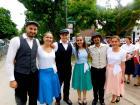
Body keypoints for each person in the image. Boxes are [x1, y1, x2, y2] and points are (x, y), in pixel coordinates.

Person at [6, 21, 40, 105]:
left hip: (33, 74)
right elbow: (9, 61)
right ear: (26, 28)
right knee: (21, 99)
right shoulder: (16, 40)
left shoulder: (37, 41)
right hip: (20, 75)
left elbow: (39, 57)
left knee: (33, 97)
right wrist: (12, 79)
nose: (33, 31)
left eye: (35, 29)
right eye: (31, 28)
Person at [37, 32, 60, 105]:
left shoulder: (54, 48)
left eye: (51, 38)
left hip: (53, 73)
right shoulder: (38, 48)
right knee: (46, 91)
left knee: (52, 91)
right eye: (47, 37)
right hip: (43, 73)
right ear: (43, 38)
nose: (49, 39)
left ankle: (49, 103)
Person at [105, 35, 126, 103]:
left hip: (117, 70)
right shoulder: (108, 50)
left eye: (116, 41)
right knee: (111, 84)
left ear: (119, 42)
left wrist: (123, 76)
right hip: (109, 70)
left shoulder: (123, 52)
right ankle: (117, 95)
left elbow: (123, 65)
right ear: (110, 42)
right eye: (112, 41)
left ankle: (113, 98)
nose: (114, 43)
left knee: (116, 84)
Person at [54, 29, 73, 105]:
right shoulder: (56, 44)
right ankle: (58, 99)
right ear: (60, 36)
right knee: (58, 85)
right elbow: (50, 54)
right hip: (58, 69)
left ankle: (66, 98)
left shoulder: (71, 44)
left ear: (68, 35)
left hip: (68, 69)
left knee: (67, 84)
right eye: (63, 35)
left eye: (66, 35)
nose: (64, 36)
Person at [72, 35, 92, 105]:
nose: (79, 41)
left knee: (85, 83)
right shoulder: (74, 49)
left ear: (83, 41)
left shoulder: (87, 48)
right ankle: (79, 98)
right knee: (78, 83)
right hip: (78, 68)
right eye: (78, 40)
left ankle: (84, 98)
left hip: (86, 67)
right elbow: (68, 56)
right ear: (76, 41)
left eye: (81, 40)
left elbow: (91, 57)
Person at [88, 32, 108, 105]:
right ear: (93, 40)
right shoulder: (90, 48)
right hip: (94, 69)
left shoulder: (106, 47)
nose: (96, 39)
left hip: (103, 70)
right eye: (94, 38)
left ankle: (102, 100)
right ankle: (95, 99)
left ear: (100, 38)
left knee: (101, 86)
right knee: (95, 86)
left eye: (97, 37)